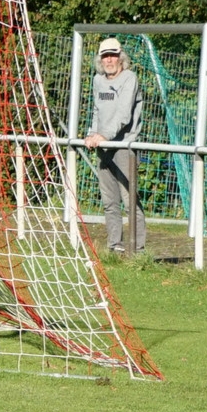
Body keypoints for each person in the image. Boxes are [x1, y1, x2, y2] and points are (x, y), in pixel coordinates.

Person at [83, 37, 147, 253]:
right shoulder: (97, 80)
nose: (109, 60)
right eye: (105, 56)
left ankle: (137, 251)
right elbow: (97, 111)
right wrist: (92, 134)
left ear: (121, 57)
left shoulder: (129, 78)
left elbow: (123, 114)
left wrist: (103, 135)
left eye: (113, 55)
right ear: (100, 59)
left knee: (130, 201)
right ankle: (114, 248)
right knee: (109, 202)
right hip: (103, 147)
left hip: (124, 148)